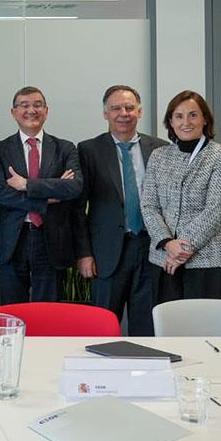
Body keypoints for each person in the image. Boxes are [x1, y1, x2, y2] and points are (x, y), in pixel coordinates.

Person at [74, 85, 167, 336]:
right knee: (103, 325)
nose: (123, 113)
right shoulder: (88, 150)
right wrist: (84, 253)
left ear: (140, 111)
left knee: (147, 326)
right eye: (115, 108)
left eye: (129, 107)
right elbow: (77, 208)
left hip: (151, 249)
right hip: (106, 252)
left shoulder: (160, 148)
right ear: (105, 114)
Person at [0, 86, 82, 305]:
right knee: (12, 311)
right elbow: (0, 194)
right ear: (13, 112)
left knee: (49, 312)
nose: (31, 110)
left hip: (52, 240)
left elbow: (74, 187)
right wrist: (47, 196)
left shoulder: (65, 148)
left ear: (46, 110)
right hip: (13, 240)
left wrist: (26, 185)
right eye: (24, 105)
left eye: (37, 105)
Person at [140, 90, 221, 303]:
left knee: (207, 331)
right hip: (163, 259)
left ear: (204, 120)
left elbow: (216, 209)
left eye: (193, 115)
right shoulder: (159, 156)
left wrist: (183, 248)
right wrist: (167, 243)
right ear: (170, 122)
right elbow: (149, 205)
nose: (186, 122)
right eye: (179, 116)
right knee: (169, 332)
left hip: (208, 260)